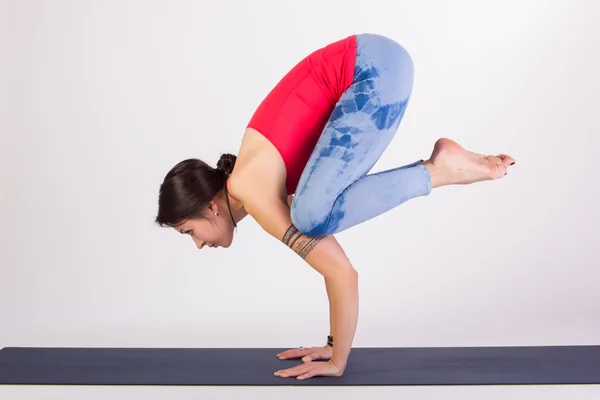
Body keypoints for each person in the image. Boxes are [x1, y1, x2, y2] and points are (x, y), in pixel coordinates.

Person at [155, 33, 515, 380]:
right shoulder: (257, 181)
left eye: (189, 231)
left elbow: (341, 273)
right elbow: (338, 267)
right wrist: (332, 344)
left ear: (211, 208)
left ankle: (439, 170)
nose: (198, 243)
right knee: (310, 212)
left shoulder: (252, 189)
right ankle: (439, 167)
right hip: (377, 64)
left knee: (310, 216)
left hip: (372, 71)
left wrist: (338, 361)